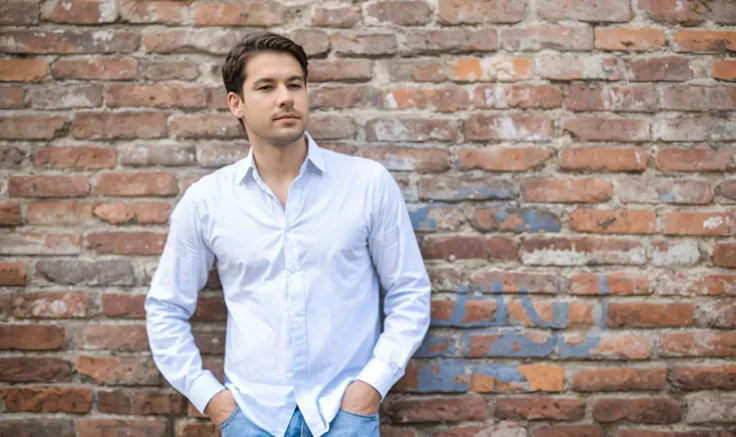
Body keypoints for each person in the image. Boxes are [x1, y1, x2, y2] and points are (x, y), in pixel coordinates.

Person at [144, 32, 431, 437]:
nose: (286, 97)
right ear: (236, 104)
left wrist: (369, 388)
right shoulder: (207, 201)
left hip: (345, 414)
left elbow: (410, 293)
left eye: (294, 84)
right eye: (266, 87)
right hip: (251, 418)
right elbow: (165, 309)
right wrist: (214, 401)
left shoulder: (367, 184)